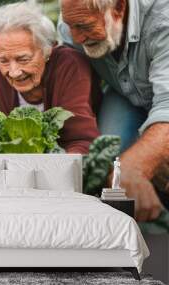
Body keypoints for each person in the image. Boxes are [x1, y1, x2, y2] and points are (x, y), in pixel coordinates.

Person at [58, 0, 169, 221]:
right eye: (71, 25)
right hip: (125, 95)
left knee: (133, 168)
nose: (77, 37)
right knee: (108, 158)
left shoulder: (162, 21)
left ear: (118, 8)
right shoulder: (71, 26)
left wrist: (136, 166)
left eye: (85, 26)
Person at [0, 2, 100, 154]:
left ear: (48, 51)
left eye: (23, 59)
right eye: (3, 60)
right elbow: (11, 140)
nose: (13, 72)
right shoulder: (0, 76)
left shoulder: (70, 65)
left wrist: (53, 172)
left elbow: (82, 141)